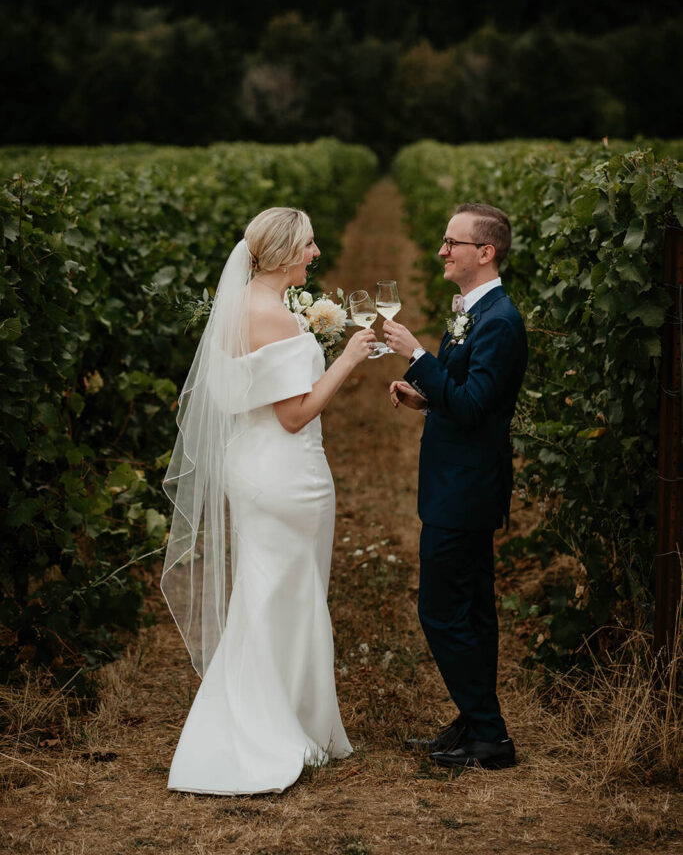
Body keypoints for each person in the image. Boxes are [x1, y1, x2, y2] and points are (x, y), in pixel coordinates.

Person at [161, 207, 375, 795]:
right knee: (289, 591)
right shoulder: (275, 319)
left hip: (253, 468)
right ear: (283, 252)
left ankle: (275, 714)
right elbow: (294, 414)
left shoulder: (241, 309)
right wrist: (349, 359)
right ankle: (271, 727)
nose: (316, 253)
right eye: (309, 245)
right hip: (285, 471)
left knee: (269, 591)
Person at [384, 202, 527, 771]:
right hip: (458, 481)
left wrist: (417, 355)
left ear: (484, 252)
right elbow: (467, 397)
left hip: (465, 491)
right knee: (472, 609)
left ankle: (489, 735)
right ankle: (475, 723)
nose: (442, 251)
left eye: (452, 243)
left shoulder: (499, 321)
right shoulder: (473, 311)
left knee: (442, 611)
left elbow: (471, 408)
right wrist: (426, 398)